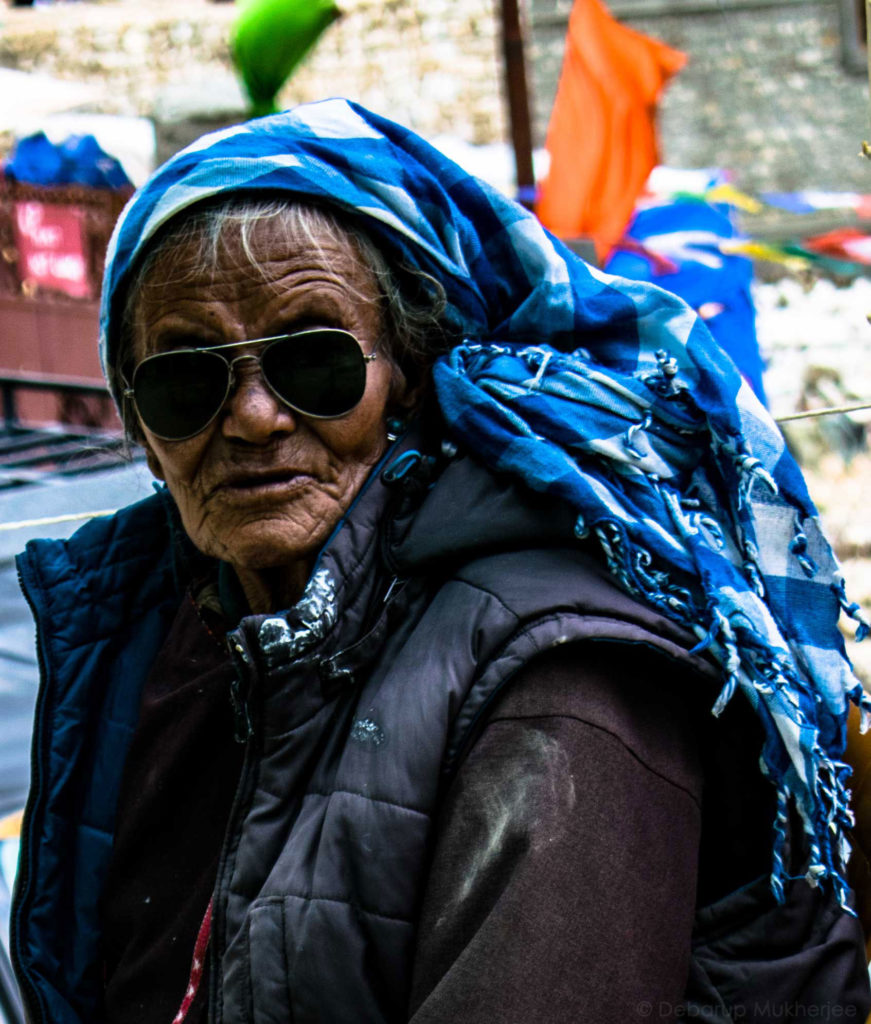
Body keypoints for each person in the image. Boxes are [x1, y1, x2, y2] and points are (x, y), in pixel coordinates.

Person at [10, 99, 871, 1024]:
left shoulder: (558, 677)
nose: (254, 418)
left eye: (315, 362)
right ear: (139, 425)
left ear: (412, 376)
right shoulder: (151, 633)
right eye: (186, 377)